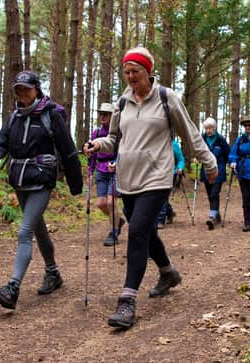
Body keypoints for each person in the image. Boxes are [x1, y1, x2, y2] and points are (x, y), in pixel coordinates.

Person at [83, 47, 218, 329]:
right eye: (127, 72)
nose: (131, 76)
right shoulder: (122, 102)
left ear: (148, 71)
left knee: (137, 232)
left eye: (136, 71)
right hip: (128, 178)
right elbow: (114, 138)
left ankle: (127, 301)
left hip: (157, 177)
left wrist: (209, 162)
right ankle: (168, 272)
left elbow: (190, 134)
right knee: (146, 230)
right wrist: (98, 145)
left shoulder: (167, 99)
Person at [0, 70, 83, 310]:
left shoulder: (51, 115)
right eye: (18, 89)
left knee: (24, 231)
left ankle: (13, 287)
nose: (22, 93)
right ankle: (53, 273)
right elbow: (1, 142)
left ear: (37, 90)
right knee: (38, 228)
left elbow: (67, 147)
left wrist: (75, 183)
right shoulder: (14, 116)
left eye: (26, 89)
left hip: (41, 180)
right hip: (19, 180)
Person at [89, 102, 125, 246]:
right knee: (101, 203)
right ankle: (119, 221)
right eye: (101, 114)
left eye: (106, 114)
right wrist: (91, 172)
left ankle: (114, 232)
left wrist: (116, 162)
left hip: (115, 170)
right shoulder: (96, 133)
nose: (102, 116)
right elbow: (92, 155)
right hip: (101, 170)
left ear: (112, 116)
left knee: (111, 202)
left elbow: (123, 151)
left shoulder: (118, 133)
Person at [199, 118, 231, 231]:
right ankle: (216, 214)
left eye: (210, 128)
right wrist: (197, 158)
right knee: (210, 195)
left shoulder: (221, 139)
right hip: (206, 170)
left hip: (219, 169)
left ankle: (212, 217)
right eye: (206, 128)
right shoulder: (202, 139)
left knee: (214, 193)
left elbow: (228, 153)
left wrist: (230, 163)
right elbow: (198, 151)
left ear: (214, 128)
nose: (208, 131)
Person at [155, 139, 185, 229]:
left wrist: (180, 168)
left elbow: (180, 159)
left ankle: (160, 220)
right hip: (156, 173)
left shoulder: (173, 144)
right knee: (158, 196)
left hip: (171, 173)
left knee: (163, 196)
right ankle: (170, 212)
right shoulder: (154, 142)